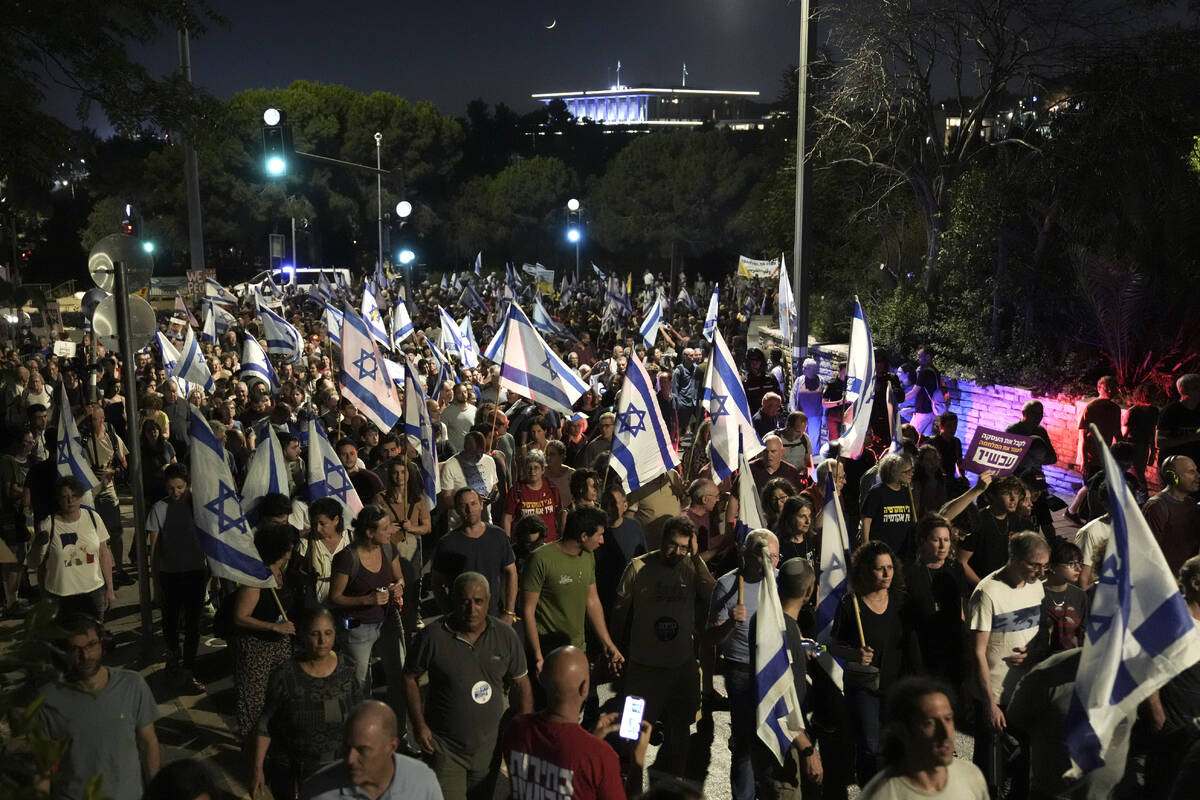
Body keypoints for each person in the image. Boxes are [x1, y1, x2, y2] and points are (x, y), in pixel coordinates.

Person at [403, 572, 532, 799]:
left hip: (488, 750)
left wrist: (525, 730)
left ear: (489, 601)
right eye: (465, 601)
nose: (472, 609)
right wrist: (419, 724)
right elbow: (409, 677)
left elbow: (521, 683)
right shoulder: (433, 637)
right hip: (445, 750)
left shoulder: (505, 636)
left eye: (479, 601)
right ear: (454, 600)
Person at [613, 517, 715, 781]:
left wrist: (695, 558)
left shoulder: (691, 566)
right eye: (673, 545)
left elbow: (712, 592)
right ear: (662, 540)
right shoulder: (638, 567)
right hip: (643, 669)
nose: (677, 552)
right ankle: (628, 783)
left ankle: (673, 789)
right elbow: (620, 611)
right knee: (631, 731)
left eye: (683, 547)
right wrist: (614, 648)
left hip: (681, 668)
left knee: (680, 732)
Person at [36, 616, 161, 800]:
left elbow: (148, 744)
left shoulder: (132, 684)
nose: (86, 656)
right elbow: (42, 767)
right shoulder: (47, 699)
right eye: (75, 649)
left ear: (103, 645)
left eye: (91, 645)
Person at [967, 530, 1048, 795]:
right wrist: (989, 704)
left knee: (1027, 763)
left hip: (1025, 692)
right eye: (1034, 565)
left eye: (1044, 566)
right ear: (1014, 558)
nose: (1039, 572)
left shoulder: (1036, 586)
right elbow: (977, 652)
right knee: (990, 772)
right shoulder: (987, 593)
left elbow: (1041, 634)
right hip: (996, 696)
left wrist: (1033, 653)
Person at [832, 540, 919, 785]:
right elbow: (833, 644)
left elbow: (911, 645)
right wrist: (854, 654)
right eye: (879, 568)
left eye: (890, 568)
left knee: (893, 747)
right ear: (865, 570)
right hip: (864, 687)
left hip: (895, 686)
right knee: (869, 749)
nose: (886, 574)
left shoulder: (901, 602)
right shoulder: (852, 603)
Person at [253, 607, 364, 800]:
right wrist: (257, 768)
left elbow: (359, 719)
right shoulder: (285, 675)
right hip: (290, 769)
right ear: (304, 636)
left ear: (335, 634)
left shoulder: (347, 671)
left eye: (328, 633)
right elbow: (266, 723)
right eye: (315, 634)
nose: (322, 641)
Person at [708, 529, 781, 800]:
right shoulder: (727, 586)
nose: (772, 563)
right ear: (748, 556)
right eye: (766, 556)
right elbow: (711, 636)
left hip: (773, 669)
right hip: (741, 671)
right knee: (745, 743)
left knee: (772, 738)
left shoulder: (778, 582)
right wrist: (730, 622)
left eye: (775, 556)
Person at [502, 645, 626, 800]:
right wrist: (637, 761)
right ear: (584, 688)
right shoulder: (602, 756)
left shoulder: (516, 728)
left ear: (541, 680)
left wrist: (590, 741)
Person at [749, 557, 824, 799]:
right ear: (810, 590)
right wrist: (808, 750)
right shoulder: (784, 631)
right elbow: (781, 699)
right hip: (784, 746)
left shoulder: (764, 622)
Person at [520, 506, 624, 677]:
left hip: (577, 649)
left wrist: (608, 644)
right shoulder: (540, 559)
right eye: (599, 535)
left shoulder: (588, 556)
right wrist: (538, 656)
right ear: (583, 536)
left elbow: (592, 600)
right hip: (548, 650)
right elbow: (527, 610)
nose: (602, 541)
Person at [858, 677, 988, 800]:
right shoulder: (881, 795)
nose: (946, 733)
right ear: (902, 731)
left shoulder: (971, 775)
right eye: (929, 723)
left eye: (948, 719)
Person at [329, 506, 406, 712]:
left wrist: (398, 587)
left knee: (399, 676)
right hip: (358, 628)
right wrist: (367, 599)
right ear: (369, 533)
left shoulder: (389, 548)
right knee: (360, 685)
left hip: (388, 621)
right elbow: (335, 597)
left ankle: (400, 733)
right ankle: (363, 732)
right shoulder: (347, 558)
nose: (391, 530)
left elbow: (400, 579)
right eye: (386, 528)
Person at [146, 463, 208, 694]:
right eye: (171, 488)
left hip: (195, 573)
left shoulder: (198, 507)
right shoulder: (159, 509)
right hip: (170, 575)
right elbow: (154, 550)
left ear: (188, 485)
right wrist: (156, 584)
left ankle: (189, 670)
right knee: (170, 623)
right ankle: (173, 660)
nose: (176, 493)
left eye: (180, 487)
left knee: (193, 625)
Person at [232, 524, 298, 738]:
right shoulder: (256, 579)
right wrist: (273, 626)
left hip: (280, 645)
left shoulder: (280, 571)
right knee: (254, 698)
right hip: (257, 648)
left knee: (279, 694)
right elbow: (241, 617)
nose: (292, 548)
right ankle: (251, 743)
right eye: (288, 545)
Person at [301, 700, 442, 800]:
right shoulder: (317, 792)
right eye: (347, 747)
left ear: (392, 747)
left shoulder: (422, 782)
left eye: (363, 750)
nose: (350, 759)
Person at [1143, 555, 1200, 799]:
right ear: (1196, 583)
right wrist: (1158, 718)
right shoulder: (1168, 620)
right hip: (1174, 726)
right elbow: (1147, 673)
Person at [34, 475, 115, 620]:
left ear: (81, 496)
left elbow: (104, 554)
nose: (70, 501)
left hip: (93, 593)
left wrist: (110, 589)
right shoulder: (48, 524)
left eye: (74, 495)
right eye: (65, 497)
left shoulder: (93, 517)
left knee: (93, 637)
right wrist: (43, 597)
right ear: (58, 499)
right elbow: (38, 565)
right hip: (60, 596)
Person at [431, 487, 517, 619]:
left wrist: (509, 612)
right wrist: (449, 613)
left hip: (494, 616)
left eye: (473, 504)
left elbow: (511, 572)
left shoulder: (498, 536)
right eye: (463, 506)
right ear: (457, 509)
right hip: (462, 620)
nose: (469, 510)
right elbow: (436, 583)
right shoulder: (447, 543)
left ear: (481, 505)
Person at [903, 515, 966, 689]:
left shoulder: (955, 570)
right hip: (922, 647)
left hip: (951, 648)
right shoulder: (909, 573)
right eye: (936, 540)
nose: (942, 545)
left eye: (946, 540)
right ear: (923, 541)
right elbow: (908, 622)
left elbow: (961, 609)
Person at [374, 458, 431, 637]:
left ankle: (410, 621)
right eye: (396, 472)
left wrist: (411, 528)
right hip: (388, 548)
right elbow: (372, 524)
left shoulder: (418, 499)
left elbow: (427, 527)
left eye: (403, 472)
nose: (399, 476)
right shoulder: (381, 498)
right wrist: (387, 528)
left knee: (412, 585)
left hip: (411, 547)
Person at [80, 402, 130, 584]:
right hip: (88, 492)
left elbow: (124, 464)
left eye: (92, 418)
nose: (89, 422)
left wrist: (112, 472)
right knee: (92, 535)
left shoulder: (112, 439)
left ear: (102, 419)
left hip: (107, 490)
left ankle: (119, 568)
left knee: (115, 532)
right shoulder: (82, 439)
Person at [1027, 539, 1089, 663]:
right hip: (1040, 665)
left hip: (1072, 663)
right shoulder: (1034, 594)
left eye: (1080, 563)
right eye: (1071, 564)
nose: (1078, 568)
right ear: (1052, 566)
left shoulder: (1080, 595)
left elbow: (1086, 632)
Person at [1141, 455, 1200, 574]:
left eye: (1196, 470)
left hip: (1188, 582)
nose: (1198, 476)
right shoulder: (1156, 507)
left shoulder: (1192, 505)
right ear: (1172, 477)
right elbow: (1146, 553)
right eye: (1191, 472)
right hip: (1167, 584)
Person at [293, 496, 351, 607]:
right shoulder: (306, 544)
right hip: (317, 606)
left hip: (347, 606)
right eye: (314, 524)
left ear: (336, 520)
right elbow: (295, 574)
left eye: (322, 524)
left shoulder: (350, 540)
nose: (317, 528)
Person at [860, 453, 917, 558]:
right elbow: (866, 521)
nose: (911, 474)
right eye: (906, 471)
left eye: (911, 470)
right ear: (894, 472)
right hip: (880, 551)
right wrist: (866, 545)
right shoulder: (877, 492)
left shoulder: (907, 492)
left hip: (902, 552)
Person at [502, 448, 562, 542]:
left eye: (536, 467)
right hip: (524, 546)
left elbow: (559, 515)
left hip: (549, 545)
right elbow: (507, 519)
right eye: (529, 467)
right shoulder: (516, 491)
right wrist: (507, 543)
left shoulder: (552, 489)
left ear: (543, 470)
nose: (532, 471)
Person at [1077, 376, 1122, 480]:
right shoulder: (1090, 408)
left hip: (1105, 458)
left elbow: (1117, 434)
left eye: (1113, 388)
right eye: (1107, 388)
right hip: (1090, 458)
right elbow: (1083, 437)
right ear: (1099, 389)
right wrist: (1084, 461)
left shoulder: (1115, 409)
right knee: (1089, 488)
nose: (1110, 391)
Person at [1156, 373, 1200, 466]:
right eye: (1196, 387)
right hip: (1173, 466)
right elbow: (1160, 442)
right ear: (1184, 390)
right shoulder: (1170, 411)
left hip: (1194, 466)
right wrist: (1191, 437)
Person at [791, 357, 826, 448]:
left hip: (815, 416)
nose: (803, 369)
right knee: (800, 438)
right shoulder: (799, 381)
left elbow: (825, 399)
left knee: (814, 440)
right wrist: (793, 410)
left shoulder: (821, 381)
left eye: (805, 368)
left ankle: (813, 459)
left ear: (813, 369)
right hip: (801, 416)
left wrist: (824, 417)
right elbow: (793, 395)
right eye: (803, 367)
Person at [776, 495, 817, 563]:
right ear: (790, 517)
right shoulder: (779, 546)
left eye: (809, 516)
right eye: (802, 516)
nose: (808, 521)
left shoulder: (810, 538)